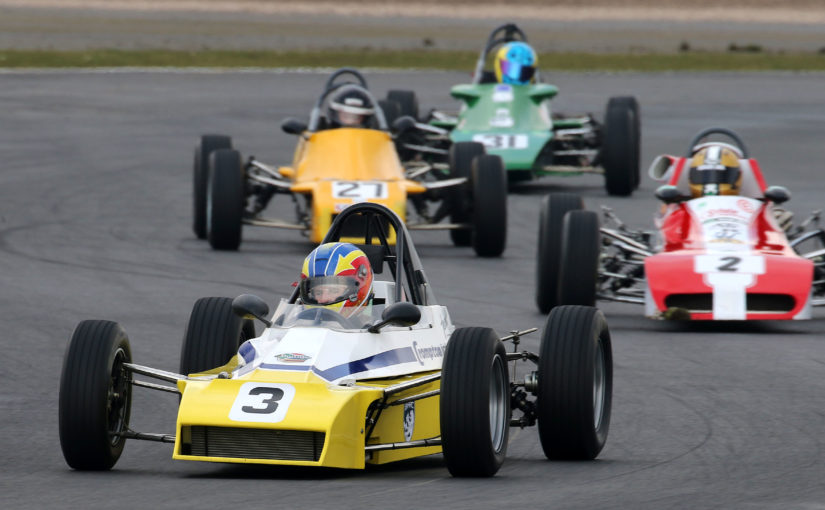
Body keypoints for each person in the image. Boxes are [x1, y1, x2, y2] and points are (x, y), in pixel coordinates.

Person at [298, 242, 374, 320]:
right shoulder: (295, 324)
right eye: (318, 292)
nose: (324, 299)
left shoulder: (380, 329)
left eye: (334, 291)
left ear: (356, 292)